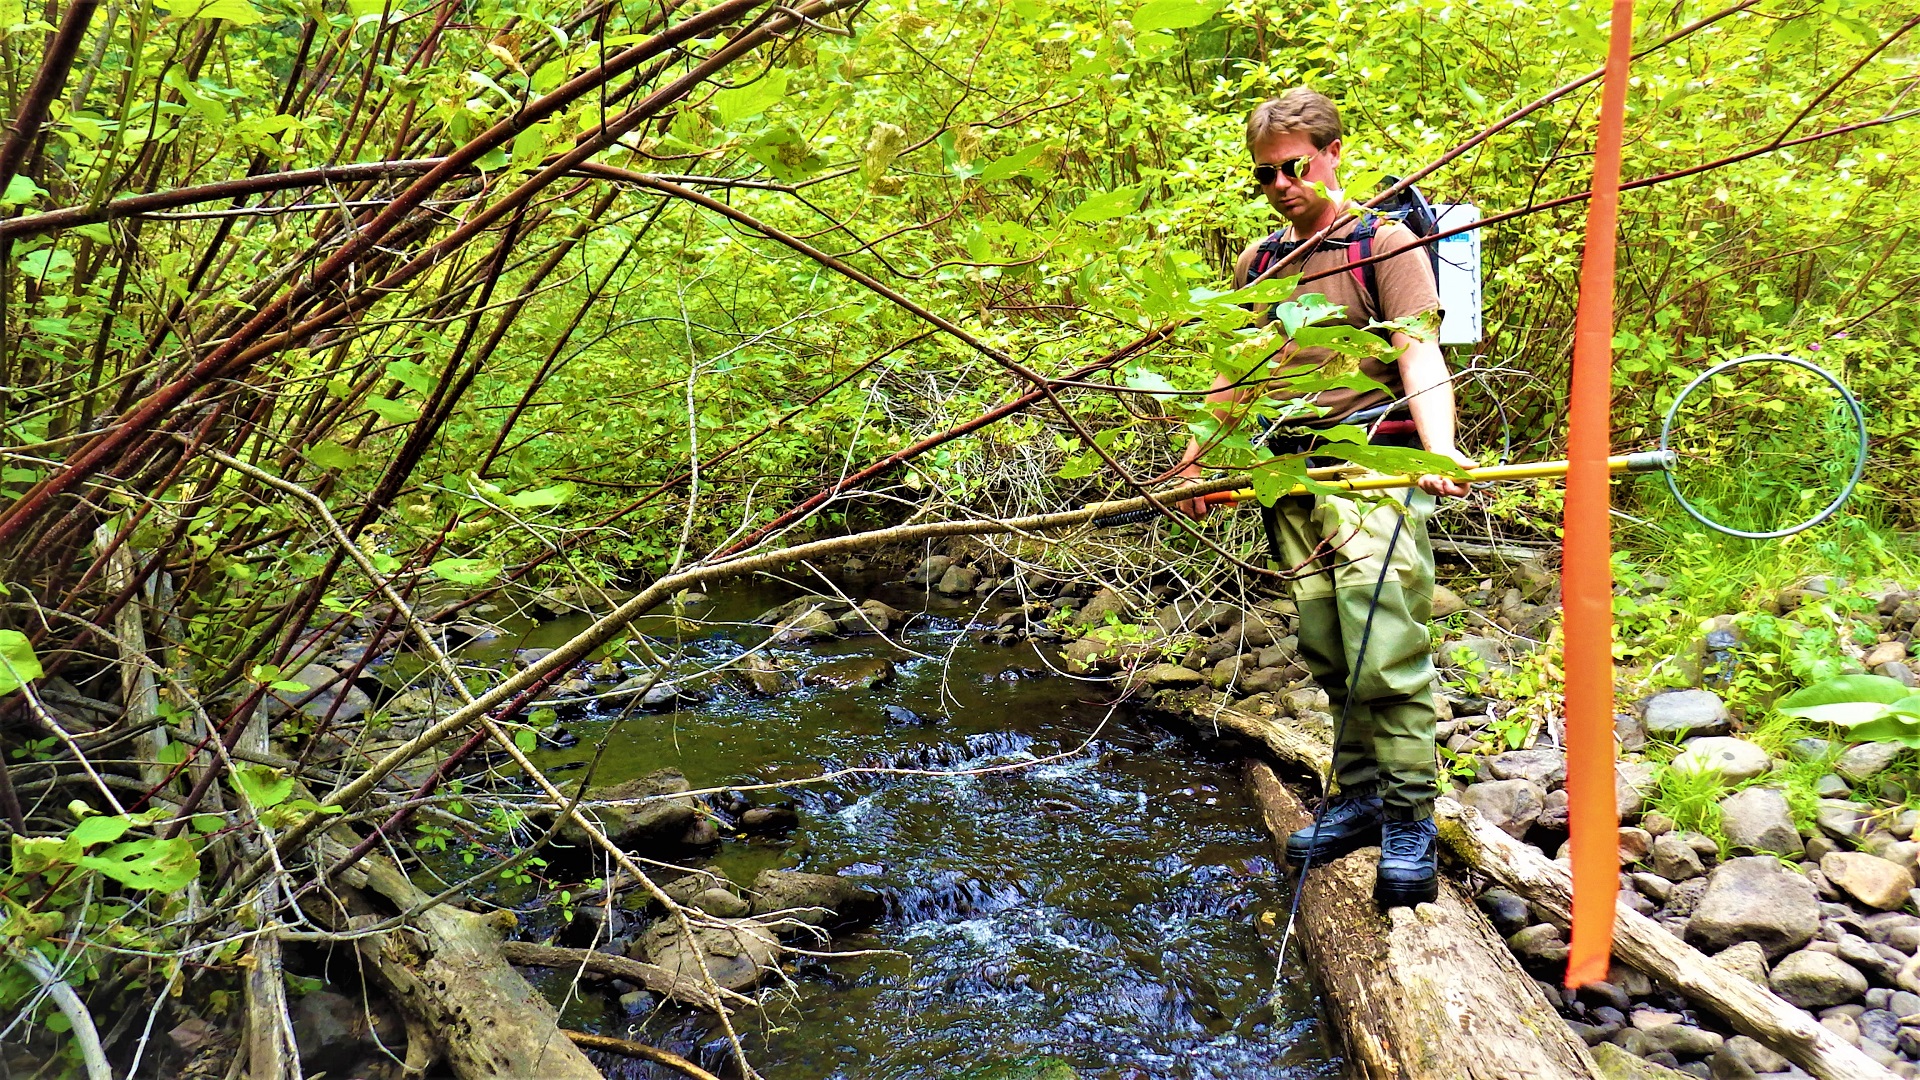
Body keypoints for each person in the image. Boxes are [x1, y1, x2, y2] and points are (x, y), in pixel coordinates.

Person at [1176, 88, 1473, 908]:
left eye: (1295, 166)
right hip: (1288, 476)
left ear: (1333, 153)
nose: (1281, 184)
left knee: (1386, 650)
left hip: (1375, 473)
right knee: (1327, 646)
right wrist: (1197, 461)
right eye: (1266, 173)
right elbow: (1235, 372)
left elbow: (1419, 355)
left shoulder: (1386, 243)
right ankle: (1360, 797)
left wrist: (1439, 453)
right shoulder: (1259, 264)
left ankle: (1411, 816)